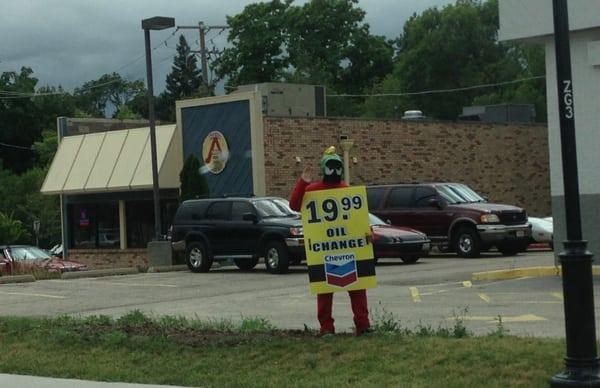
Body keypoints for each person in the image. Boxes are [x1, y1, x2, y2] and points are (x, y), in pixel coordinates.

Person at [289, 146, 372, 336]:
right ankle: (326, 328)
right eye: (330, 166)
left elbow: (359, 219)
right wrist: (303, 182)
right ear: (323, 168)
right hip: (325, 252)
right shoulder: (313, 190)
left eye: (337, 166)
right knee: (324, 290)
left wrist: (369, 232)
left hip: (349, 249)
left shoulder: (347, 191)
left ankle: (363, 325)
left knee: (358, 287)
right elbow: (294, 205)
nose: (334, 170)